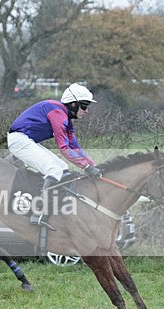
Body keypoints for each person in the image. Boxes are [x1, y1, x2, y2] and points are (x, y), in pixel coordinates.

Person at [7, 83, 102, 228]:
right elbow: (64, 149)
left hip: (26, 139)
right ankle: (38, 213)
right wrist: (86, 167)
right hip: (18, 140)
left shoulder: (66, 118)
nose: (86, 110)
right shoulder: (58, 114)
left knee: (62, 167)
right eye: (84, 106)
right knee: (54, 170)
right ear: (73, 104)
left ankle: (50, 207)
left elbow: (74, 147)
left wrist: (93, 165)